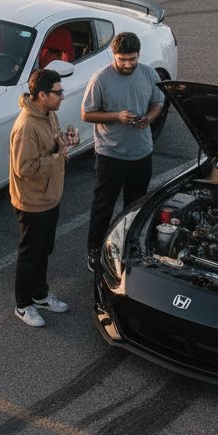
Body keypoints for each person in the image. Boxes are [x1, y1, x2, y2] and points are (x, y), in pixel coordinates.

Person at [82, 32, 166, 271]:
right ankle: (95, 249)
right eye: (122, 60)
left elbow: (158, 102)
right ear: (113, 55)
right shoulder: (101, 79)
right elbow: (86, 113)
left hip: (141, 153)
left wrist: (149, 117)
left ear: (139, 54)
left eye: (132, 59)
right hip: (111, 154)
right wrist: (117, 116)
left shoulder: (149, 73)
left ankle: (129, 246)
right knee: (103, 205)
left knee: (136, 205)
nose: (128, 64)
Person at [9, 68, 72, 328]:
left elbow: (54, 143)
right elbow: (24, 168)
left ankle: (41, 294)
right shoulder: (26, 126)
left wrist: (63, 142)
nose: (62, 96)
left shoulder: (48, 114)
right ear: (42, 94)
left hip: (50, 197)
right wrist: (59, 157)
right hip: (33, 202)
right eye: (58, 92)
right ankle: (23, 305)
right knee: (30, 254)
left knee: (43, 250)